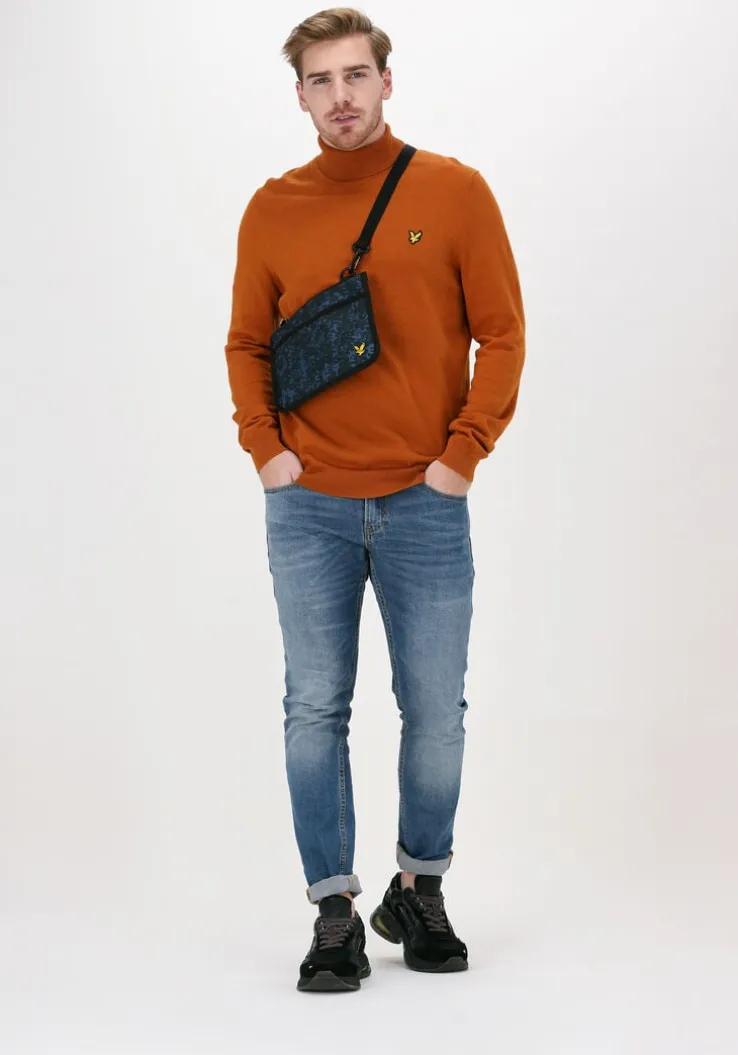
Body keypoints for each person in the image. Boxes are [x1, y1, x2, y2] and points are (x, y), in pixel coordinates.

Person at [224, 7, 525, 993]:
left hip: (425, 502)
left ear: (387, 81)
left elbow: (503, 333)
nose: (341, 96)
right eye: (321, 80)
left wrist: (461, 456)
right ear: (300, 95)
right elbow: (246, 342)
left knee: (435, 709)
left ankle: (419, 886)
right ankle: (334, 910)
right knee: (314, 706)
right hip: (307, 503)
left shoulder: (455, 191)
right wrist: (267, 450)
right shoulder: (272, 207)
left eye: (356, 75)